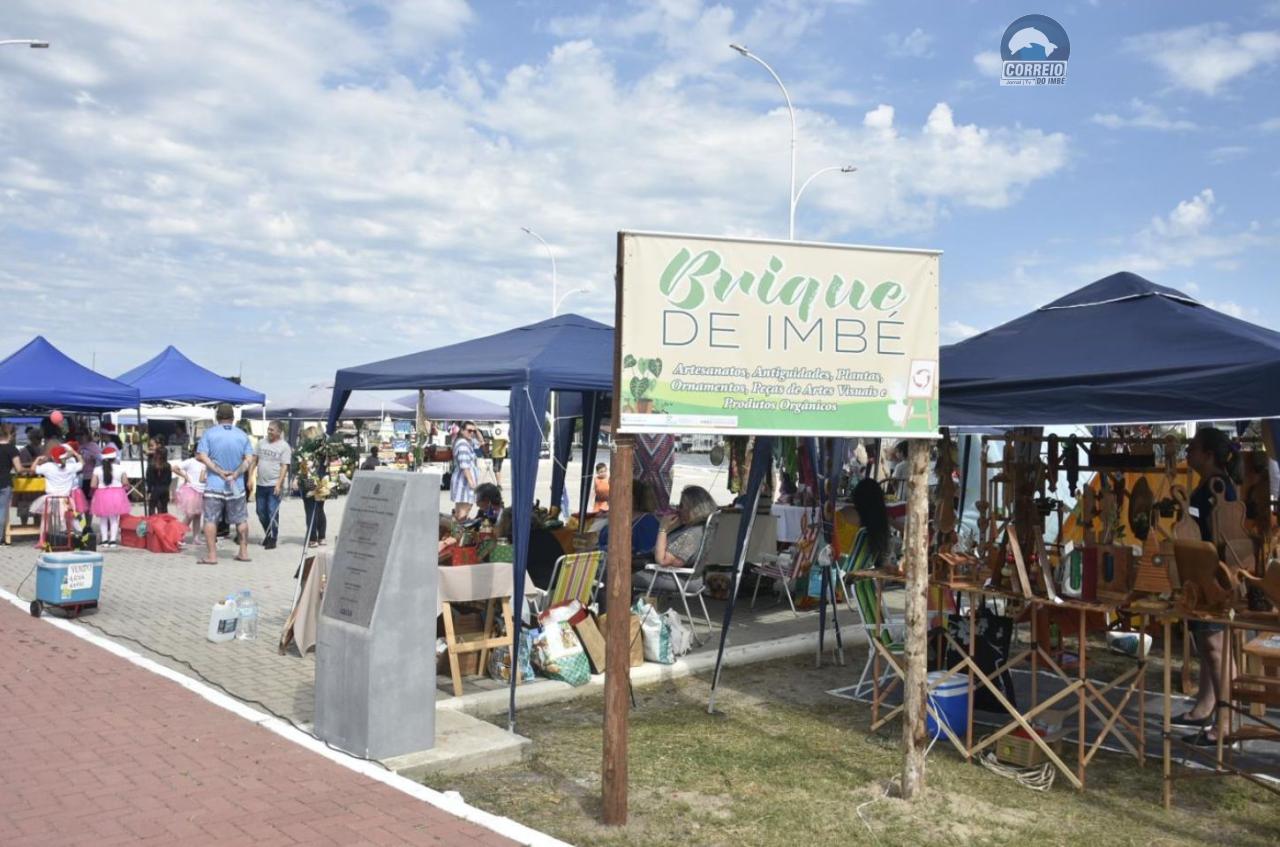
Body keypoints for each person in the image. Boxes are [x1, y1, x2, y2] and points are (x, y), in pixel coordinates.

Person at [1173, 427, 1241, 747]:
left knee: (1217, 646)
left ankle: (1224, 722)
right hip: (1202, 575)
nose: (1189, 453)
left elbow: (1221, 536)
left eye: (1193, 448)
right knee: (1206, 642)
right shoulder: (1207, 487)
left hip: (1216, 576)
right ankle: (1204, 706)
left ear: (1209, 455)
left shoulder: (1220, 488)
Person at [195, 403, 254, 565]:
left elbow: (202, 456)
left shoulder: (209, 434)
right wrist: (236, 473)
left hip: (214, 484)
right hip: (237, 485)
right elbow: (249, 460)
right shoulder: (242, 435)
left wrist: (219, 471)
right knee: (241, 519)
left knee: (210, 520)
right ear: (233, 418)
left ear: (217, 417)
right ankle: (243, 552)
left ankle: (212, 555)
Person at [634, 485, 718, 593]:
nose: (678, 509)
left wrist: (663, 529)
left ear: (692, 508)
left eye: (681, 506)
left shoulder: (692, 534)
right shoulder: (695, 528)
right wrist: (674, 528)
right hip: (679, 576)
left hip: (678, 578)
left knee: (619, 577)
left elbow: (662, 560)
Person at [597, 479, 661, 564]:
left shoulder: (648, 522)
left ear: (631, 498)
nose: (610, 498)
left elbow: (645, 554)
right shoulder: (617, 518)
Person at [254, 421, 291, 550]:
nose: (269, 432)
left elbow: (284, 466)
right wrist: (250, 478)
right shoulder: (261, 443)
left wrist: (279, 484)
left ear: (279, 432)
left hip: (274, 484)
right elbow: (255, 460)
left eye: (272, 430)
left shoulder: (284, 446)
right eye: (268, 429)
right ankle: (268, 533)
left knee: (272, 512)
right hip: (260, 484)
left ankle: (273, 538)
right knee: (260, 512)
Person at [32, 443, 83, 536]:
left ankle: (45, 536)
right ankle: (72, 533)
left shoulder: (48, 466)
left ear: (52, 456)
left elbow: (33, 469)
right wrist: (76, 455)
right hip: (65, 498)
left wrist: (37, 459)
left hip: (50, 498)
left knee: (46, 518)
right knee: (69, 517)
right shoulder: (70, 466)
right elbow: (82, 464)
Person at [90, 446, 132, 548]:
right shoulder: (121, 468)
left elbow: (93, 485)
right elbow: (125, 482)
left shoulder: (97, 469)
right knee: (114, 518)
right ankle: (112, 540)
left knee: (103, 519)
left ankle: (104, 540)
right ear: (114, 457)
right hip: (117, 494)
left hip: (102, 494)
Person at [296, 425, 330, 548]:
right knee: (320, 509)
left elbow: (302, 469)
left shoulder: (305, 451)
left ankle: (312, 538)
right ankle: (322, 537)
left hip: (309, 481)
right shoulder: (323, 450)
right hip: (323, 480)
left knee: (310, 508)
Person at [172, 450, 207, 541]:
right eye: (201, 453)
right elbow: (175, 468)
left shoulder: (206, 462)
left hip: (202, 491)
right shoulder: (190, 461)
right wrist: (185, 476)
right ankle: (179, 534)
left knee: (197, 515)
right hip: (192, 490)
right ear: (196, 453)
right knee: (190, 515)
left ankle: (196, 537)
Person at [450, 420, 480, 522]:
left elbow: (481, 443)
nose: (472, 433)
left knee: (460, 511)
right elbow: (464, 465)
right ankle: (458, 535)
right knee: (463, 512)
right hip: (464, 482)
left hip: (463, 481)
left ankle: (455, 533)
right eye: (469, 430)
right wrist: (472, 483)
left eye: (473, 431)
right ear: (462, 430)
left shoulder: (467, 441)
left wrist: (477, 430)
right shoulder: (463, 444)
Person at [0, 424, 24, 545]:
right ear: (8, 435)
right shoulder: (11, 449)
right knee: (2, 510)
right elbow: (19, 469)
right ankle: (1, 537)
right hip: (4, 482)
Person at [146, 438, 173, 514]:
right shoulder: (168, 465)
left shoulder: (152, 465)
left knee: (152, 508)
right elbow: (169, 480)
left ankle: (153, 524)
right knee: (163, 509)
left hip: (155, 488)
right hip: (165, 489)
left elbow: (149, 480)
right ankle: (163, 524)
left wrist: (149, 491)